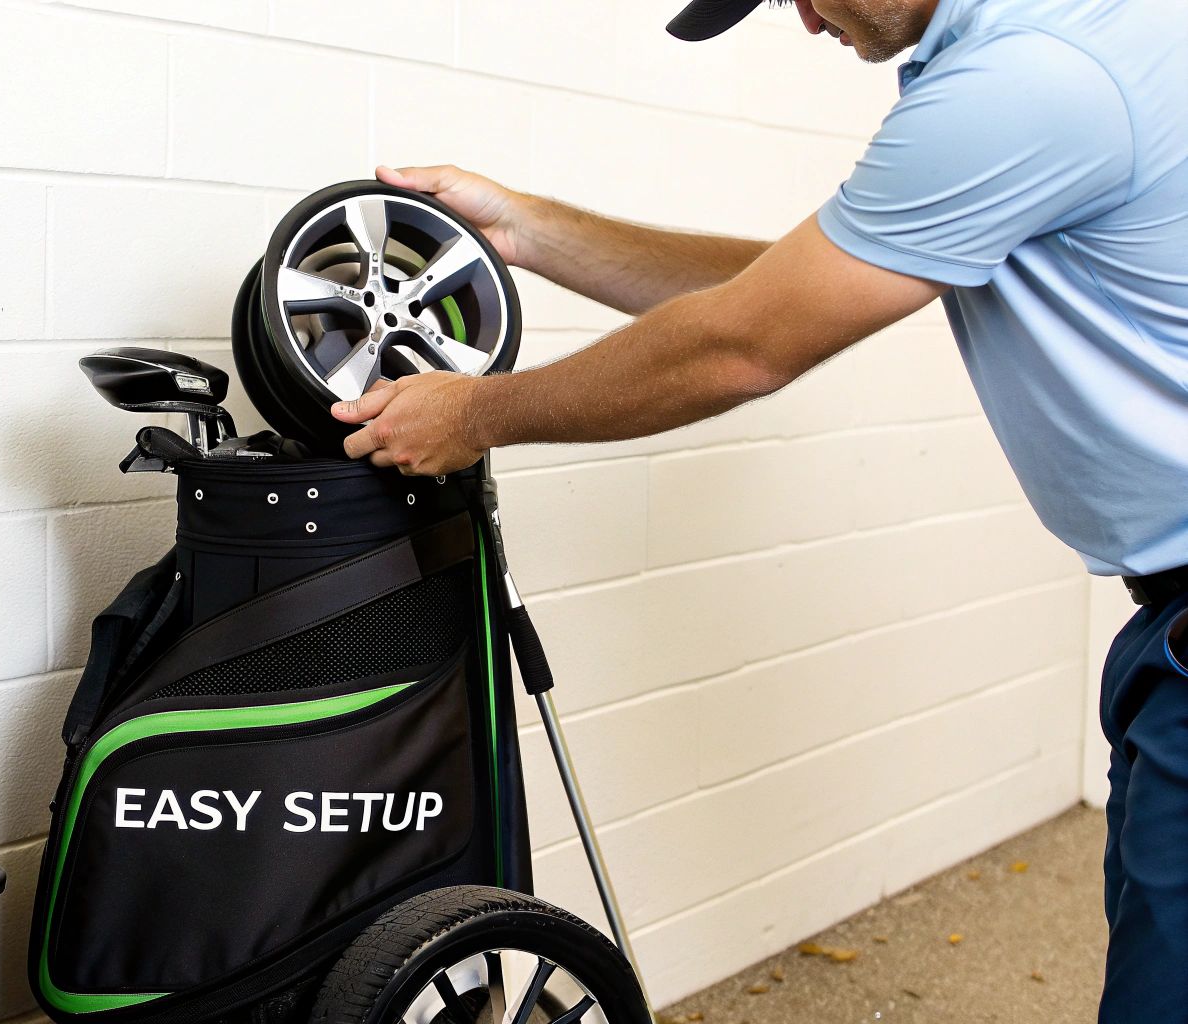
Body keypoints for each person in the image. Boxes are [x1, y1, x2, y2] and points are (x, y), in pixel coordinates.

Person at [332, 0, 1188, 1017]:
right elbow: (787, 287)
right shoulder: (1062, 41)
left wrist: (475, 412)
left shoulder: (1033, 80)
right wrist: (527, 230)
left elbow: (742, 344)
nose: (805, 21)